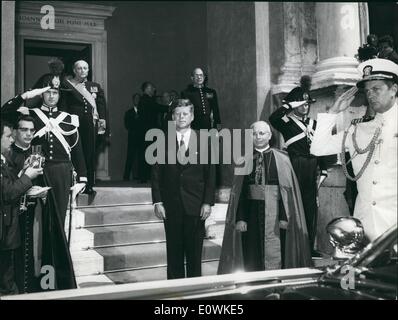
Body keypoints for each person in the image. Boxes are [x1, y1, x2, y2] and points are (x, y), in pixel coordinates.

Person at [2, 75, 88, 290]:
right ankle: (32, 278)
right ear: (41, 93)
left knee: (57, 226)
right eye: (47, 91)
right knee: (33, 228)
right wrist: (28, 95)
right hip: (37, 171)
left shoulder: (69, 118)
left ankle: (57, 279)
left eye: (55, 92)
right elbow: (5, 111)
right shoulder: (30, 115)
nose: (51, 96)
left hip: (61, 173)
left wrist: (83, 177)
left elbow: (77, 149)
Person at [310, 58, 398, 241]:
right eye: (367, 91)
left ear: (394, 90)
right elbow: (318, 148)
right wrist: (334, 112)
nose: (370, 95)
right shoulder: (359, 129)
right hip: (366, 225)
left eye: (376, 89)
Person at [217, 121, 312, 274]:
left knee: (277, 254)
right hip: (251, 215)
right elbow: (239, 193)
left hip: (276, 217)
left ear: (269, 136)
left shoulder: (282, 159)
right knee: (251, 255)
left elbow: (286, 192)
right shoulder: (243, 161)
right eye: (254, 134)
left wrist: (284, 217)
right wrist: (240, 218)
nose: (258, 137)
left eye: (262, 133)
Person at [151, 99, 216, 279]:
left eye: (185, 113)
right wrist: (158, 201)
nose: (181, 117)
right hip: (170, 205)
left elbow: (211, 174)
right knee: (174, 253)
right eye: (178, 114)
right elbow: (156, 174)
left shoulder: (205, 140)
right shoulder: (162, 140)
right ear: (172, 116)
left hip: (196, 205)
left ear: (192, 116)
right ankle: (174, 294)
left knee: (194, 255)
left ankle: (194, 294)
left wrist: (207, 202)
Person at [269, 91, 330, 257]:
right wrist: (289, 104)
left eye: (307, 104)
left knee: (310, 209)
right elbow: (273, 118)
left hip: (312, 166)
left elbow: (321, 146)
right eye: (301, 104)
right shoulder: (286, 122)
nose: (305, 106)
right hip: (295, 165)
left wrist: (323, 167)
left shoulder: (314, 123)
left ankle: (309, 248)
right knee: (294, 207)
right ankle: (293, 248)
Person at [1, 121, 43, 296]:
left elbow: (7, 185)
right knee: (6, 281)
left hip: (8, 229)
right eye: (8, 136)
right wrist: (27, 176)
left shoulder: (4, 160)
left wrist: (21, 173)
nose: (11, 141)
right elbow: (8, 192)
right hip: (4, 229)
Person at [63, 60, 107, 195]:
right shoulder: (68, 85)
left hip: (90, 125)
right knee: (75, 153)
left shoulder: (95, 86)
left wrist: (103, 124)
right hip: (73, 124)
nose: (82, 70)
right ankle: (75, 182)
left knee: (89, 153)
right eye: (79, 68)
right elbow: (64, 106)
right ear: (74, 70)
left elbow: (101, 106)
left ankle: (89, 184)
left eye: (85, 68)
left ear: (88, 70)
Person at [138, 81, 169, 183]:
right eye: (152, 88)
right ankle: (145, 176)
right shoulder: (147, 100)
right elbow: (158, 108)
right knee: (149, 154)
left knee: (147, 153)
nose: (154, 89)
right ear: (147, 89)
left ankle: (144, 176)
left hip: (145, 131)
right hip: (149, 131)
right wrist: (172, 108)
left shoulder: (144, 100)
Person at [123, 93, 141, 181]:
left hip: (142, 138)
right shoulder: (128, 113)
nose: (137, 100)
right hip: (132, 138)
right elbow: (127, 125)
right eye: (135, 99)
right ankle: (126, 176)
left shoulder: (144, 112)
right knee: (130, 157)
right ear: (133, 100)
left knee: (141, 158)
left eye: (138, 98)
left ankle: (140, 176)